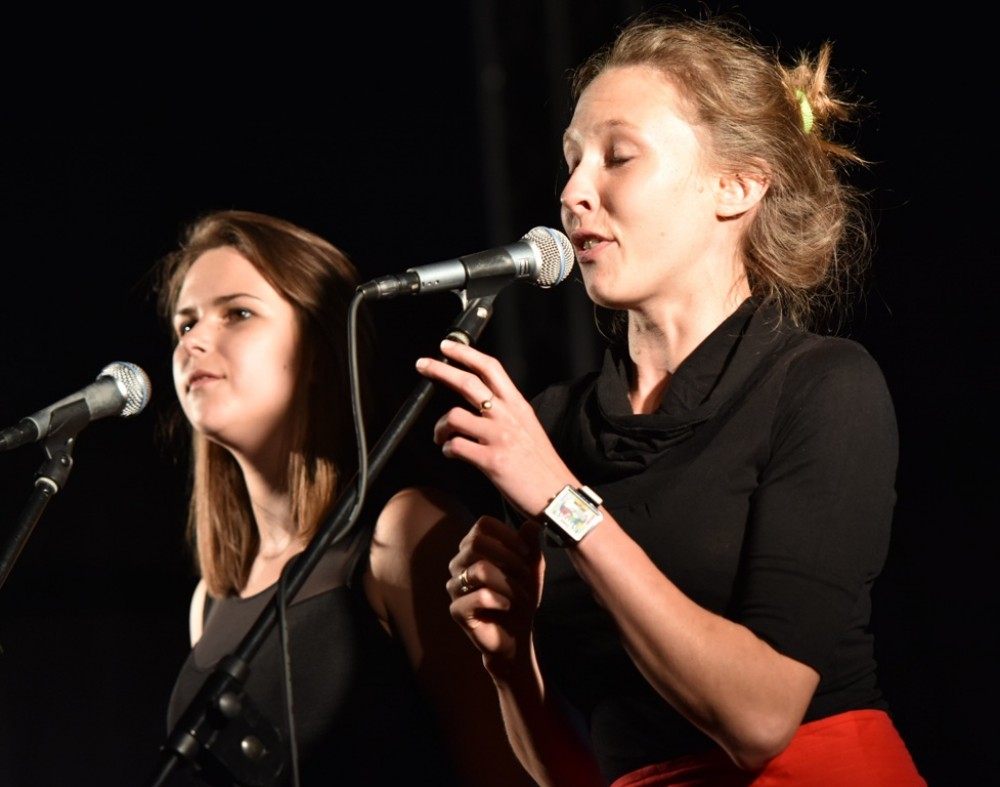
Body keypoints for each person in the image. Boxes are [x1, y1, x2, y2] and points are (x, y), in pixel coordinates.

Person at [414, 12, 926, 787]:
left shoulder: (821, 384)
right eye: (572, 161)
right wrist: (510, 663)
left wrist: (565, 500)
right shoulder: (554, 424)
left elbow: (760, 720)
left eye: (618, 157)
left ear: (737, 185)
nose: (572, 193)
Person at [157, 210, 533, 786]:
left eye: (238, 313)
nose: (195, 341)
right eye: (185, 324)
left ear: (319, 348)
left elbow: (507, 769)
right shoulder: (210, 599)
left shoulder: (404, 531)